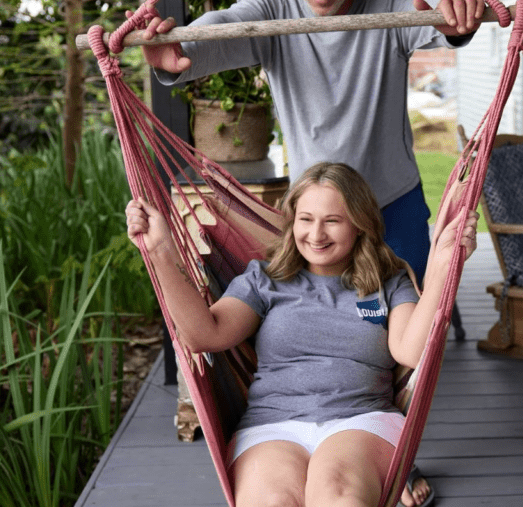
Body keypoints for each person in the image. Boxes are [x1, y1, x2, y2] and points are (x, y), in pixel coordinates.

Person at [134, 0, 486, 287]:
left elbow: (425, 6)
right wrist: (184, 48)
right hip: (315, 215)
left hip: (392, 204)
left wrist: (450, 13)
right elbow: (227, 25)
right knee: (324, 316)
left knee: (415, 314)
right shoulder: (271, 5)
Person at [125, 162, 479, 507]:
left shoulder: (389, 283)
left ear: (360, 225)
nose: (316, 234)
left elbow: (413, 352)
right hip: (272, 424)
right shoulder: (263, 280)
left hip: (361, 419)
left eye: (333, 221)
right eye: (306, 219)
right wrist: (159, 253)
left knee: (339, 497)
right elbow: (205, 335)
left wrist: (444, 266)